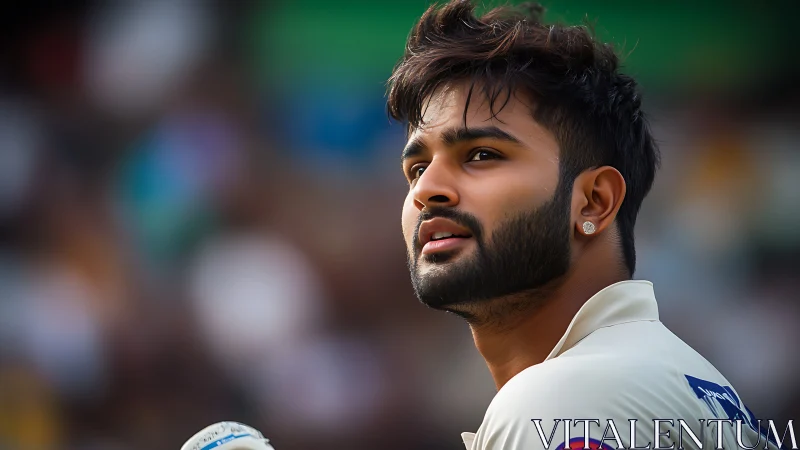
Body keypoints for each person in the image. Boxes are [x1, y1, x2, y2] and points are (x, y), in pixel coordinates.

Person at [387, 2, 778, 449]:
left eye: (482, 155)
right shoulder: (688, 383)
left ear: (594, 203)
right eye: (417, 168)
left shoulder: (564, 402)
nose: (426, 190)